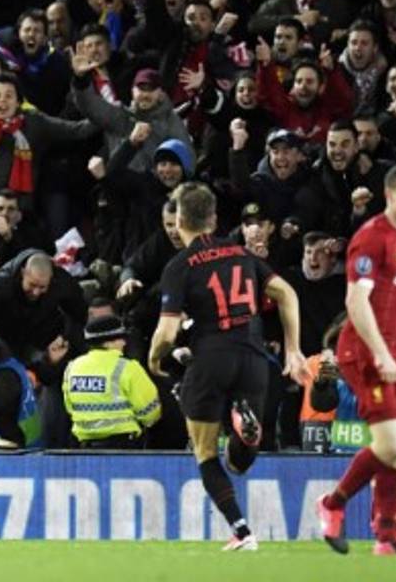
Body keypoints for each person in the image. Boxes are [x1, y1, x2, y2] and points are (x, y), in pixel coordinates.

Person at [148, 181, 307, 552]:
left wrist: (154, 358)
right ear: (214, 218)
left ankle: (242, 530)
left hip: (210, 358)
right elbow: (287, 294)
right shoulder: (242, 255)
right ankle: (245, 433)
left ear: (179, 221)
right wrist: (294, 349)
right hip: (252, 357)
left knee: (205, 452)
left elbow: (167, 333)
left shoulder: (179, 265)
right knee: (239, 462)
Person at [317, 162, 396, 555]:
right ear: (389, 196)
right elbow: (355, 301)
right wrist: (381, 353)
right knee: (393, 442)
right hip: (364, 352)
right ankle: (333, 504)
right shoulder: (371, 238)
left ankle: (386, 537)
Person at [63, 314, 161, 448]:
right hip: (122, 446)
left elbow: (70, 407)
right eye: (120, 339)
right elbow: (151, 413)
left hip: (83, 447)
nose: (124, 343)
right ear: (107, 343)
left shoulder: (72, 367)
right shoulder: (128, 368)